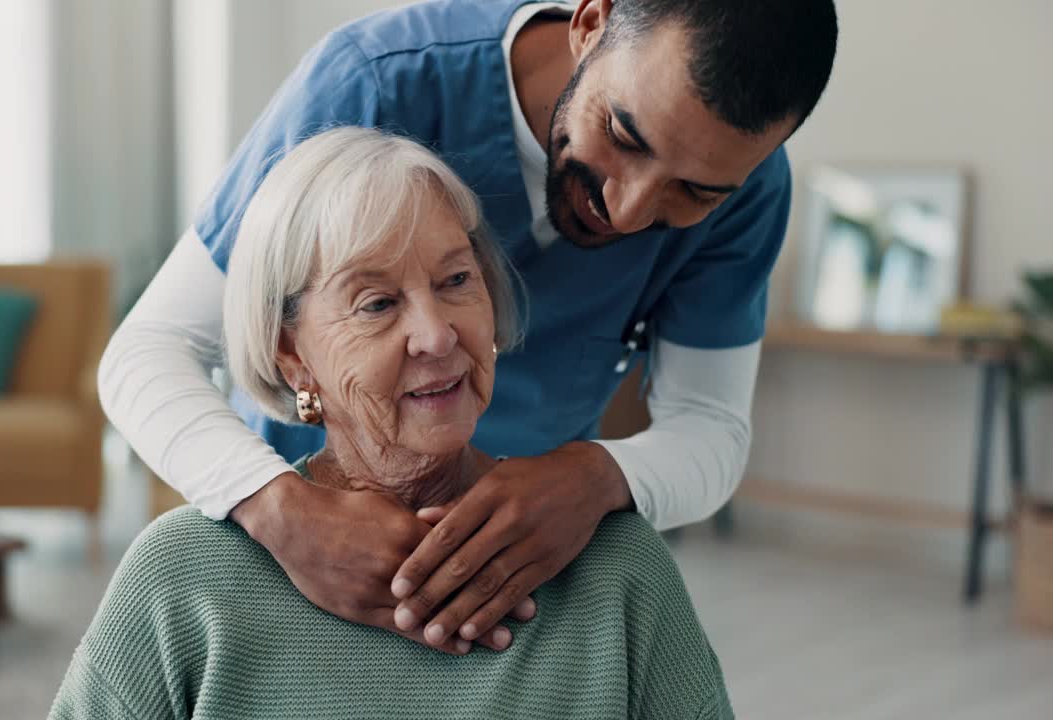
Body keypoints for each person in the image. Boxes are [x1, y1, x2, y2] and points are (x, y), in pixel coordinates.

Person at [100, 0, 838, 653]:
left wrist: (597, 476)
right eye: (622, 135)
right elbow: (149, 350)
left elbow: (711, 424)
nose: (630, 211)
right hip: (300, 551)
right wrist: (282, 509)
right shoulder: (379, 81)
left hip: (524, 586)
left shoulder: (748, 192)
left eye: (693, 192)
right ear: (589, 23)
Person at [52, 127, 733, 720]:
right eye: (377, 304)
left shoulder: (617, 568)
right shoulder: (180, 579)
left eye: (456, 281)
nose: (437, 335)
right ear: (292, 357)